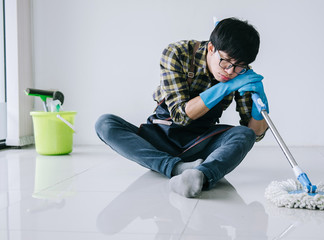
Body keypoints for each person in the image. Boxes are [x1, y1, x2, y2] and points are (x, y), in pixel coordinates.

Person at [95, 17, 269, 198]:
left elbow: (255, 133)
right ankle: (176, 168)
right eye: (225, 62)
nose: (230, 72)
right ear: (211, 48)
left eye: (239, 67)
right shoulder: (178, 53)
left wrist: (261, 98)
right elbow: (180, 115)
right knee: (105, 124)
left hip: (200, 142)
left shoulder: (242, 73)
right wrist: (225, 87)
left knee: (244, 135)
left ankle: (199, 175)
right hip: (161, 136)